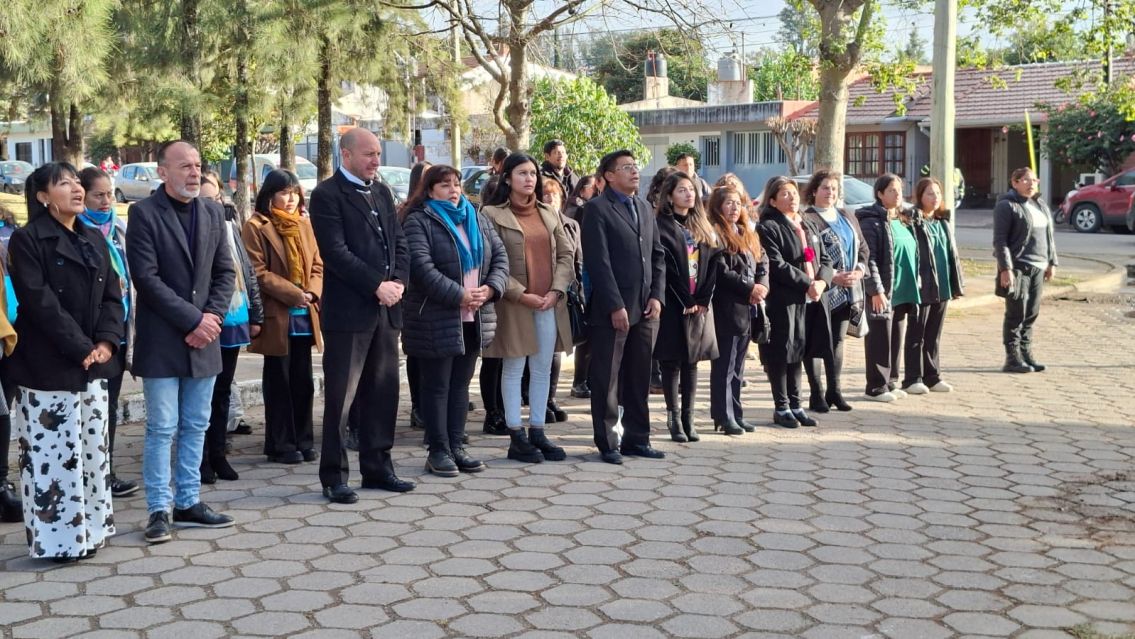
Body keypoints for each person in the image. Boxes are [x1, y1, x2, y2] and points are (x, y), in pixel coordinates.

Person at [7, 162, 125, 561]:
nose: (76, 188)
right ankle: (58, 541)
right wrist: (80, 346)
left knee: (91, 450)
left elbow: (113, 293)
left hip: (93, 362)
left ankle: (90, 530)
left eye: (77, 181)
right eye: (64, 183)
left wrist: (107, 342)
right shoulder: (27, 240)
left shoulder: (91, 236)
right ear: (42, 196)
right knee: (53, 455)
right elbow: (40, 303)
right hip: (47, 364)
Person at [127, 141, 237, 544]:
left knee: (197, 424)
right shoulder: (143, 214)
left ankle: (188, 502)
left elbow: (226, 271)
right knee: (162, 427)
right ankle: (159, 508)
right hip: (163, 340)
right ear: (162, 172)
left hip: (205, 338)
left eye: (197, 165)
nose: (194, 173)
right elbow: (147, 279)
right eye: (184, 166)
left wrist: (213, 319)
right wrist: (195, 320)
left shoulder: (212, 211)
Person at [308, 128, 413, 504]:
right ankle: (334, 476)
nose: (375, 160)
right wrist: (376, 285)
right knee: (342, 398)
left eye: (379, 153)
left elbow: (399, 242)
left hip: (386, 309)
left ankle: (378, 466)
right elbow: (335, 253)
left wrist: (398, 281)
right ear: (346, 154)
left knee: (383, 393)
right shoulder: (326, 195)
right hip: (349, 314)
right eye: (368, 153)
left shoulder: (382, 191)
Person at [401, 165, 508, 476]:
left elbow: (500, 256)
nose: (454, 189)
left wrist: (490, 288)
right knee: (437, 385)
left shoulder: (476, 216)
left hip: (474, 314)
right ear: (429, 189)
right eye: (445, 185)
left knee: (461, 385)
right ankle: (437, 450)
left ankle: (457, 446)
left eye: (457, 183)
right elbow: (422, 267)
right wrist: (459, 294)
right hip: (436, 316)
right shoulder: (419, 220)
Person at [481, 154, 574, 463]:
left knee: (542, 367)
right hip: (515, 304)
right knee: (514, 368)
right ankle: (515, 435)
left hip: (549, 302)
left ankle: (537, 429)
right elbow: (490, 262)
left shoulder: (549, 213)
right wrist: (522, 294)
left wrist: (556, 289)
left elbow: (566, 255)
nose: (529, 178)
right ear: (507, 178)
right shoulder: (491, 214)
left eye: (533, 173)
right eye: (522, 173)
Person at [580, 150, 666, 464]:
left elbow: (657, 256)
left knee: (639, 375)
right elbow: (598, 263)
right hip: (612, 310)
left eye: (635, 166)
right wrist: (615, 305)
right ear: (609, 176)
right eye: (625, 167)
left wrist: (657, 295)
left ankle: (637, 439)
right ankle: (607, 442)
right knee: (607, 377)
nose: (633, 171)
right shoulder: (596, 210)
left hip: (645, 308)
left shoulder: (644, 206)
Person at [242, 169, 324, 467]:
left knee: (303, 381)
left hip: (305, 314)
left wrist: (311, 294)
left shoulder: (304, 223)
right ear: (269, 195)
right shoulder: (255, 226)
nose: (290, 199)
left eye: (294, 193)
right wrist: (294, 294)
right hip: (279, 314)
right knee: (279, 381)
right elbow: (257, 272)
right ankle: (280, 443)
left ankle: (304, 439)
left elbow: (317, 264)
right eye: (283, 193)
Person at [78, 167, 139, 497]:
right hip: (89, 338)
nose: (106, 201)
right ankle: (86, 476)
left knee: (109, 408)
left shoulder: (119, 230)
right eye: (98, 195)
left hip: (120, 333)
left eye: (110, 193)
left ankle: (106, 472)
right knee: (88, 409)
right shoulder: (78, 232)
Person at [197, 173, 262, 482]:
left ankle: (219, 453)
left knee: (222, 390)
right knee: (201, 394)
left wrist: (256, 314)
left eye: (215, 199)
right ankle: (200, 460)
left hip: (234, 317)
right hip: (203, 320)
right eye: (204, 200)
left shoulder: (229, 227)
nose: (211, 206)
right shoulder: (189, 231)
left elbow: (246, 271)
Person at [757, 175, 833, 429]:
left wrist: (821, 282)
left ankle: (796, 405)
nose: (792, 198)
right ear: (773, 200)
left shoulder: (807, 224)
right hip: (783, 301)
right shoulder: (768, 227)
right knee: (781, 353)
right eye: (785, 194)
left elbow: (825, 259)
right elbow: (776, 264)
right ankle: (781, 407)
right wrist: (807, 283)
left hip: (809, 299)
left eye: (794, 193)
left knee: (798, 352)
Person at [653, 171, 718, 443]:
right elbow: (664, 267)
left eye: (691, 190)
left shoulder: (702, 225)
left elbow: (714, 263)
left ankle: (690, 419)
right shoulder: (661, 226)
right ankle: (674, 418)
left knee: (692, 362)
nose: (688, 194)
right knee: (672, 362)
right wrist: (686, 301)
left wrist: (702, 300)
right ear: (669, 195)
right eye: (681, 190)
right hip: (675, 304)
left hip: (700, 306)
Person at [801, 170, 869, 413]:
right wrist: (832, 277)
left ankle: (835, 390)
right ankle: (816, 392)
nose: (830, 193)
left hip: (847, 291)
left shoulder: (847, 215)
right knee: (816, 341)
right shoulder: (806, 219)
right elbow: (807, 255)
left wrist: (859, 271)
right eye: (825, 188)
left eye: (834, 188)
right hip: (821, 290)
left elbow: (863, 248)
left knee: (838, 341)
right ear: (814, 191)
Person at [707, 184, 768, 435]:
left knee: (739, 366)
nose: (734, 208)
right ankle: (723, 415)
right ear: (718, 207)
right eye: (729, 203)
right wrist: (749, 288)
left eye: (738, 203)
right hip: (727, 306)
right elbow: (721, 271)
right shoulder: (714, 234)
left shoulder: (747, 232)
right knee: (725, 365)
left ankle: (736, 412)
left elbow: (762, 261)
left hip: (749, 308)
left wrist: (762, 286)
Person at [993, 167, 1057, 373]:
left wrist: (1051, 262)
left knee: (1031, 313)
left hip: (1039, 266)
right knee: (1016, 313)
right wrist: (1006, 268)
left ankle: (1027, 354)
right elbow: (1000, 240)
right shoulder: (1007, 205)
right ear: (1015, 182)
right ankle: (1012, 359)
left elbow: (1049, 236)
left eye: (1034, 181)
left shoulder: (1039, 204)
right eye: (1026, 180)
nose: (1031, 184)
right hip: (1019, 266)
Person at [856, 173, 913, 402]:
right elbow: (869, 259)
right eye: (891, 190)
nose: (897, 194)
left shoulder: (899, 219)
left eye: (899, 189)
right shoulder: (872, 221)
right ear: (880, 194)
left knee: (896, 336)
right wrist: (876, 290)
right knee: (879, 337)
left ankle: (890, 381)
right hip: (881, 290)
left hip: (899, 289)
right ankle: (876, 386)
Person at [909, 176, 965, 391]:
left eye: (938, 194)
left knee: (934, 334)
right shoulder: (914, 221)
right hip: (923, 286)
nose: (935, 198)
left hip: (942, 285)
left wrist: (956, 284)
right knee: (917, 333)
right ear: (920, 196)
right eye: (930, 193)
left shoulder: (942, 222)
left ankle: (932, 376)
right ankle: (913, 378)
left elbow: (952, 256)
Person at [561, 175, 599, 399]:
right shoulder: (581, 209)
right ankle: (579, 380)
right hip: (585, 271)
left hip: (593, 269)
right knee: (586, 334)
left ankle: (590, 379)